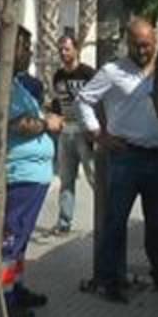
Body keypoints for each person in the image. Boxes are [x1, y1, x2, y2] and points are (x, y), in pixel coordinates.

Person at [76, 18, 158, 302]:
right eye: (136, 45)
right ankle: (112, 283)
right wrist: (98, 135)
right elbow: (83, 100)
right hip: (125, 158)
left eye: (146, 45)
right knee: (116, 222)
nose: (142, 50)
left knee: (157, 225)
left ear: (156, 42)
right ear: (127, 43)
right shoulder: (112, 72)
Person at [0, 25, 63, 317]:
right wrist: (46, 123)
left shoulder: (13, 82)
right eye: (26, 48)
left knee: (19, 241)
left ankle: (16, 287)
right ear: (10, 48)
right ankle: (5, 298)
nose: (30, 53)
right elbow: (18, 124)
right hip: (14, 174)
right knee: (10, 240)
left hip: (27, 175)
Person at [49, 35, 97, 234]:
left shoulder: (88, 73)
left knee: (95, 178)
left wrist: (94, 130)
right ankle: (64, 222)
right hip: (66, 132)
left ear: (76, 50)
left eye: (67, 49)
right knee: (66, 180)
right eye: (61, 49)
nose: (63, 52)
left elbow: (99, 100)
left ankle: (103, 220)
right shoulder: (58, 76)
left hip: (85, 132)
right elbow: (56, 104)